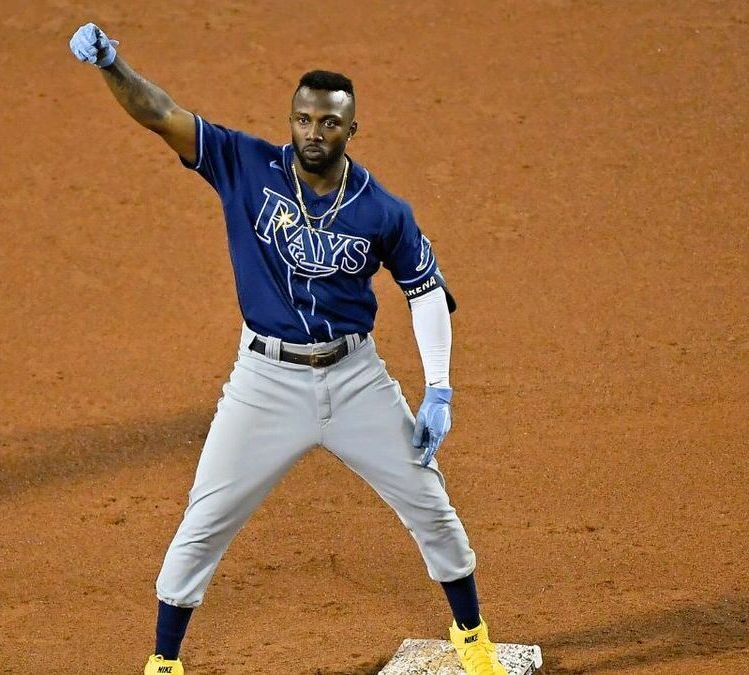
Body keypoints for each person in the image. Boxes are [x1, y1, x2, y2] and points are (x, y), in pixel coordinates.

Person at [69, 22, 509, 675]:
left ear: (350, 131)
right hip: (264, 380)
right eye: (302, 119)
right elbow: (159, 112)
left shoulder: (383, 210)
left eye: (328, 123)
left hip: (354, 376)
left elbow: (425, 290)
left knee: (430, 506)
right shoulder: (244, 164)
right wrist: (112, 64)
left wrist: (439, 386)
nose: (312, 132)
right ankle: (163, 660)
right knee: (205, 518)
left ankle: (472, 635)